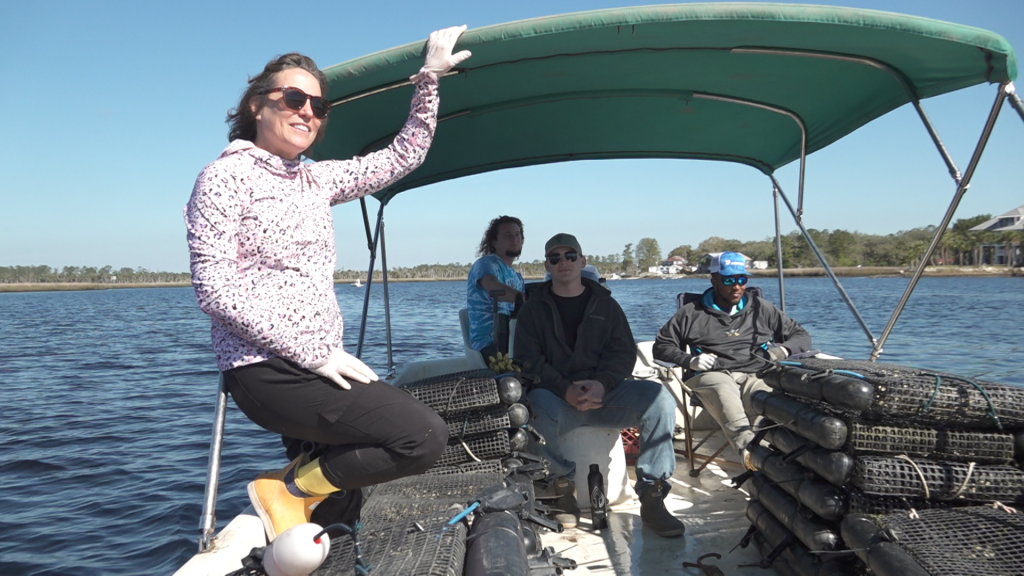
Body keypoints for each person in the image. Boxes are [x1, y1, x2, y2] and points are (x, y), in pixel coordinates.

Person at [184, 27, 471, 541]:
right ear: (256, 105)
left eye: (318, 105)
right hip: (269, 369)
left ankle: (311, 518)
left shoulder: (315, 180)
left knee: (337, 516)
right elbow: (215, 290)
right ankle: (288, 490)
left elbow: (400, 157)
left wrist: (428, 80)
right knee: (422, 437)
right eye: (294, 98)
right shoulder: (223, 178)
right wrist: (312, 352)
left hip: (321, 364)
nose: (308, 112)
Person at [514, 233, 686, 537]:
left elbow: (622, 353)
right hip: (556, 401)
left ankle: (652, 496)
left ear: (582, 261)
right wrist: (565, 388)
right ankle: (561, 489)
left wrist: (603, 384)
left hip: (606, 397)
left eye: (570, 256)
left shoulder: (606, 305)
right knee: (529, 410)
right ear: (547, 266)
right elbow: (528, 360)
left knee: (659, 399)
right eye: (555, 258)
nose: (563, 262)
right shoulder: (532, 309)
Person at [652, 251, 811, 468]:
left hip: (754, 373)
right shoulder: (691, 312)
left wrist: (780, 352)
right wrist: (690, 360)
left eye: (741, 280)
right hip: (710, 375)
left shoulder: (761, 309)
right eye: (728, 280)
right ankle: (752, 453)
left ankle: (783, 458)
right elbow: (661, 347)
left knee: (768, 397)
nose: (736, 286)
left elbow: (801, 336)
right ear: (714, 280)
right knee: (723, 389)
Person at [467, 216, 525, 359]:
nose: (515, 239)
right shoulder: (485, 264)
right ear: (494, 242)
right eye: (508, 235)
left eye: (518, 235)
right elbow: (494, 289)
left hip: (514, 342)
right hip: (488, 345)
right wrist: (529, 299)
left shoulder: (517, 277)